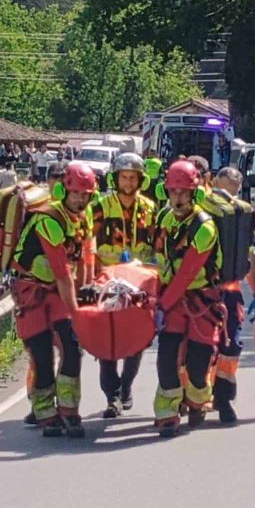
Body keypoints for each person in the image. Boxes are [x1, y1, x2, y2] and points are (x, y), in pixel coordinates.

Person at [11, 161, 96, 437]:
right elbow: (61, 272)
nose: (80, 199)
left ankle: (69, 411)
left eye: (85, 195)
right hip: (32, 293)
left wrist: (86, 292)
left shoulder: (80, 218)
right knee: (43, 355)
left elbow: (82, 259)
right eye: (76, 194)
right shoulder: (48, 220)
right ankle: (46, 413)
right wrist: (77, 313)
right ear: (64, 191)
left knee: (72, 348)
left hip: (56, 291)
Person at [152, 160, 223, 438]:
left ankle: (197, 400)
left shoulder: (204, 227)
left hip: (200, 301)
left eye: (183, 192)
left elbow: (187, 274)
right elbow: (157, 261)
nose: (178, 198)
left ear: (194, 193)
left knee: (197, 363)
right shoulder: (165, 220)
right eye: (173, 192)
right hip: (171, 301)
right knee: (167, 358)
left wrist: (162, 305)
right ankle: (167, 414)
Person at [88, 152, 157, 418]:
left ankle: (126, 386)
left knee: (137, 338)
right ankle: (112, 397)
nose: (128, 183)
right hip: (107, 280)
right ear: (116, 178)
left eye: (133, 178)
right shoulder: (100, 207)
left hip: (139, 281)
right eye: (124, 177)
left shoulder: (150, 209)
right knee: (107, 341)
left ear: (141, 180)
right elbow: (88, 243)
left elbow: (156, 244)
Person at [204, 166, 255, 424]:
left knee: (231, 343)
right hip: (200, 289)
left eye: (233, 193)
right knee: (198, 344)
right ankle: (191, 396)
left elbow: (246, 256)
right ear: (212, 182)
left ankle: (223, 397)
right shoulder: (197, 208)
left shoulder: (240, 214)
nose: (227, 198)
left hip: (229, 290)